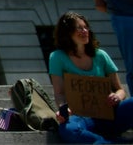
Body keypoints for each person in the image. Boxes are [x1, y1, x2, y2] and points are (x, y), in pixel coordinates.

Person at [47, 11, 133, 143]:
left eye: (86, 27)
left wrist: (117, 97)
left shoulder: (101, 55)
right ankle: (109, 142)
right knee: (68, 130)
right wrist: (64, 109)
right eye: (79, 28)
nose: (85, 31)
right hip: (80, 117)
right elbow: (59, 93)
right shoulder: (57, 57)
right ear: (67, 32)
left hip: (109, 114)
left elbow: (120, 90)